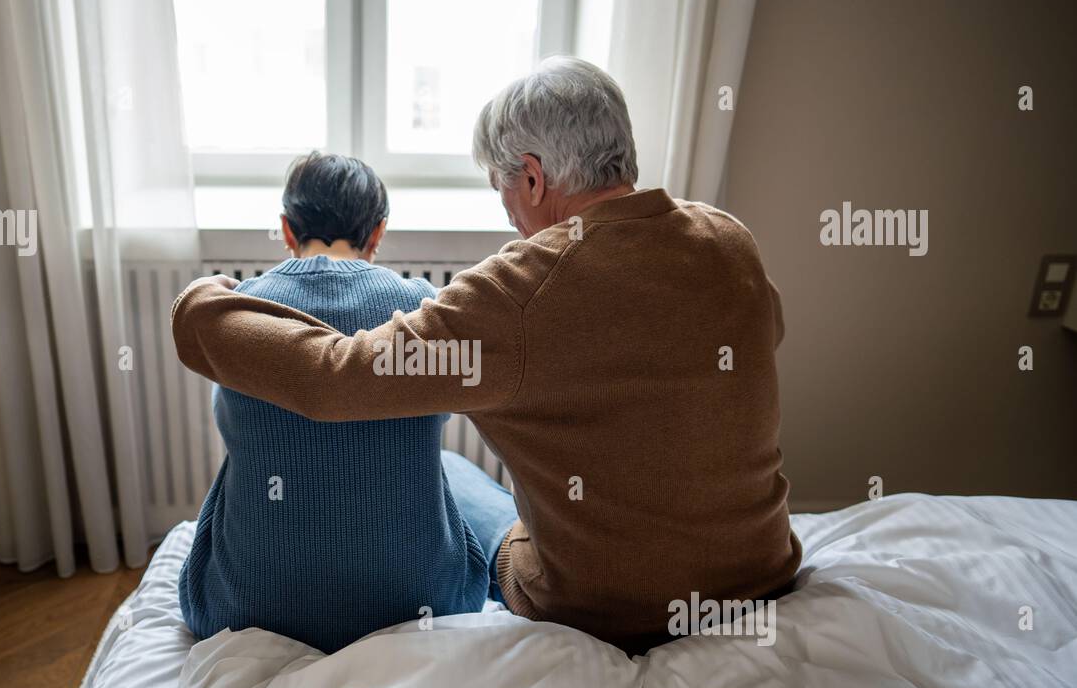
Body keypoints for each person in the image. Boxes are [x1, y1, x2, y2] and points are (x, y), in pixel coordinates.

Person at [172, 58, 801, 654]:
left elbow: (334, 380)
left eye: (503, 188)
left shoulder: (518, 292)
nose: (508, 210)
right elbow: (761, 333)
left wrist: (202, 309)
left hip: (614, 610)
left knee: (451, 473)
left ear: (532, 177)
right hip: (763, 572)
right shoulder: (727, 240)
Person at [176, 152, 497, 653]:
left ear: (287, 228)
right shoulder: (424, 311)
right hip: (423, 600)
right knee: (449, 469)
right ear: (378, 232)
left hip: (246, 606)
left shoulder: (237, 315)